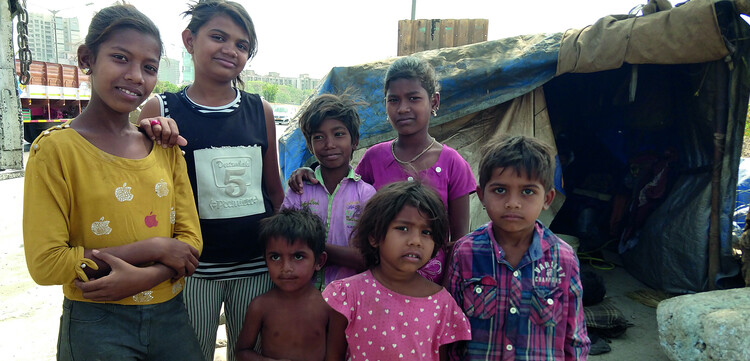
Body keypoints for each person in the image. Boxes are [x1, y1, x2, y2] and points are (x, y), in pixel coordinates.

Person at [22, 4, 203, 360]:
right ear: (87, 58)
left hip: (170, 313)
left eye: (149, 67)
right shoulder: (56, 151)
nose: (136, 76)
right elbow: (46, 264)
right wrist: (154, 248)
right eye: (121, 58)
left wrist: (147, 277)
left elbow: (189, 242)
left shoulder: (164, 148)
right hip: (96, 320)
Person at [136, 1, 285, 360]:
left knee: (249, 352)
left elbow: (274, 191)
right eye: (218, 37)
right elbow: (146, 192)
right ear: (189, 40)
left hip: (255, 267)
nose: (230, 49)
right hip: (192, 269)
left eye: (241, 44)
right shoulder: (161, 110)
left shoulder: (260, 110)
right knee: (191, 352)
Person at [290, 56, 477, 284]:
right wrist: (309, 172)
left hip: (431, 287)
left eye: (413, 98)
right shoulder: (374, 158)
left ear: (434, 102)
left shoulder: (453, 164)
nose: (403, 108)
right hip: (377, 283)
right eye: (394, 100)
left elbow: (458, 243)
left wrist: (445, 295)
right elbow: (343, 185)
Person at [444, 135, 590, 360]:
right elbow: (451, 330)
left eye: (528, 191)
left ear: (547, 198)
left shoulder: (564, 258)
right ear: (481, 195)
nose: (513, 202)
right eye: (500, 190)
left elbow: (575, 338)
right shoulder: (464, 253)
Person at [323, 181, 472, 361]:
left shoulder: (442, 303)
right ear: (374, 236)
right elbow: (333, 356)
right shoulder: (348, 294)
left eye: (426, 232)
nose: (415, 241)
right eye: (403, 228)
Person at [281, 93, 375, 289]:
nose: (330, 144)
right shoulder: (298, 191)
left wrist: (314, 250)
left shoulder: (366, 195)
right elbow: (283, 243)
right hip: (301, 295)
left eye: (339, 134)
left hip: (350, 298)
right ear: (310, 145)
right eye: (319, 137)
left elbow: (368, 258)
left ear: (355, 141)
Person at [236, 207, 331, 361]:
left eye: (298, 256)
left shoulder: (328, 305)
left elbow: (336, 353)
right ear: (265, 260)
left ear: (319, 261)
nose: (286, 268)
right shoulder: (260, 306)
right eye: (275, 257)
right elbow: (242, 351)